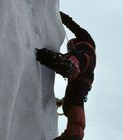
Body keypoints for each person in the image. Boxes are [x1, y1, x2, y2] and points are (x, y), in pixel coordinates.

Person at [36, 11, 96, 140]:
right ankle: (72, 133)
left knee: (78, 59)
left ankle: (76, 133)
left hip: (83, 67)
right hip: (80, 80)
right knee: (70, 102)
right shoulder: (75, 55)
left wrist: (60, 16)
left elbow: (74, 26)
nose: (70, 48)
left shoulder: (86, 41)